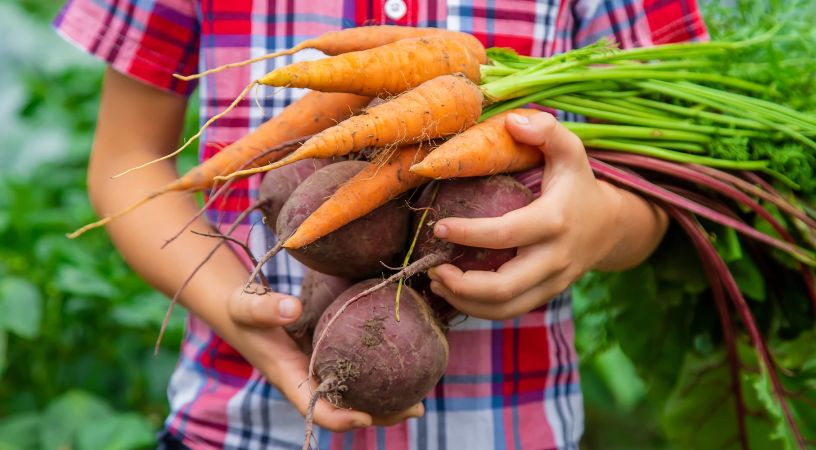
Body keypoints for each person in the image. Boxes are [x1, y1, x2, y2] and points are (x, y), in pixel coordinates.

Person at [54, 1, 707, 448]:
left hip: (511, 428)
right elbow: (128, 157)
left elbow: (668, 182)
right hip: (237, 426)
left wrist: (596, 228)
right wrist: (231, 305)